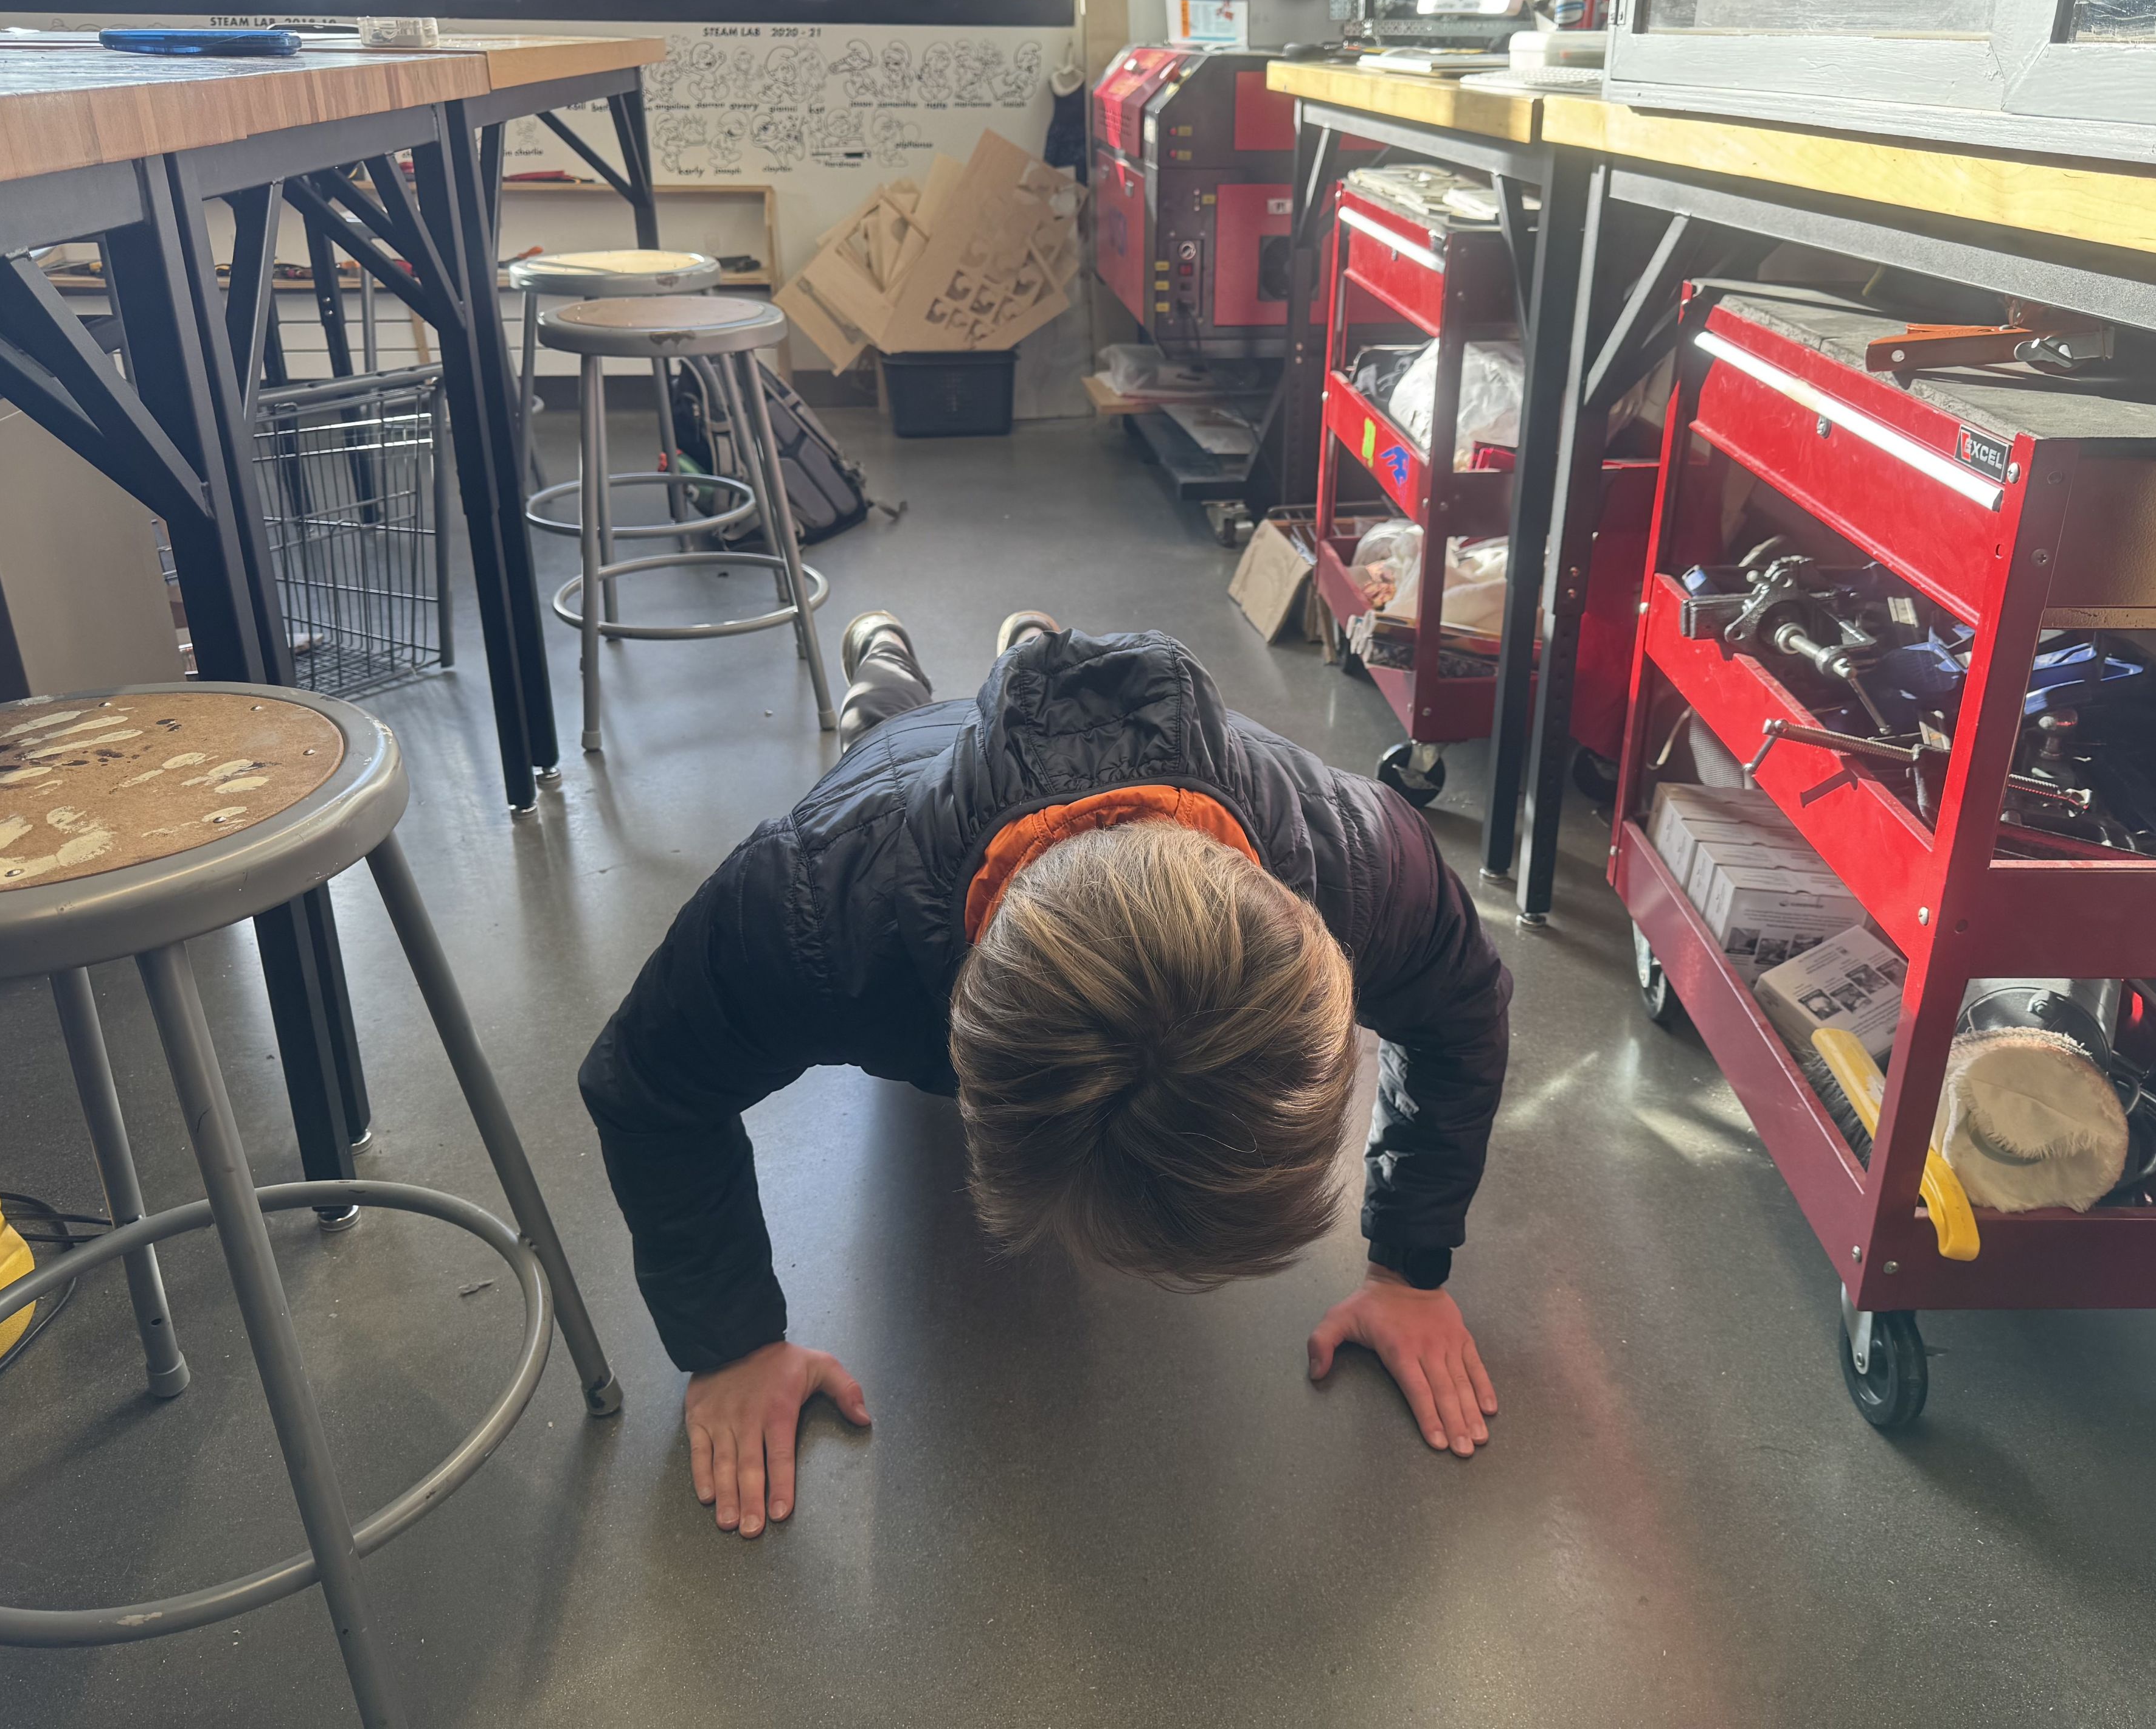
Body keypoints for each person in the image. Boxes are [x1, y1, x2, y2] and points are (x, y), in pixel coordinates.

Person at [579, 611, 1512, 1537]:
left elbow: (1462, 1014)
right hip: (912, 779)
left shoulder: (1358, 862)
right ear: (958, 1045)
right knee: (884, 727)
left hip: (1078, 812)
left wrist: (1409, 1267)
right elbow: (651, 1085)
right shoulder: (816, 905)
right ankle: (886, 651)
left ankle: (1028, 645)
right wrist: (733, 1342)